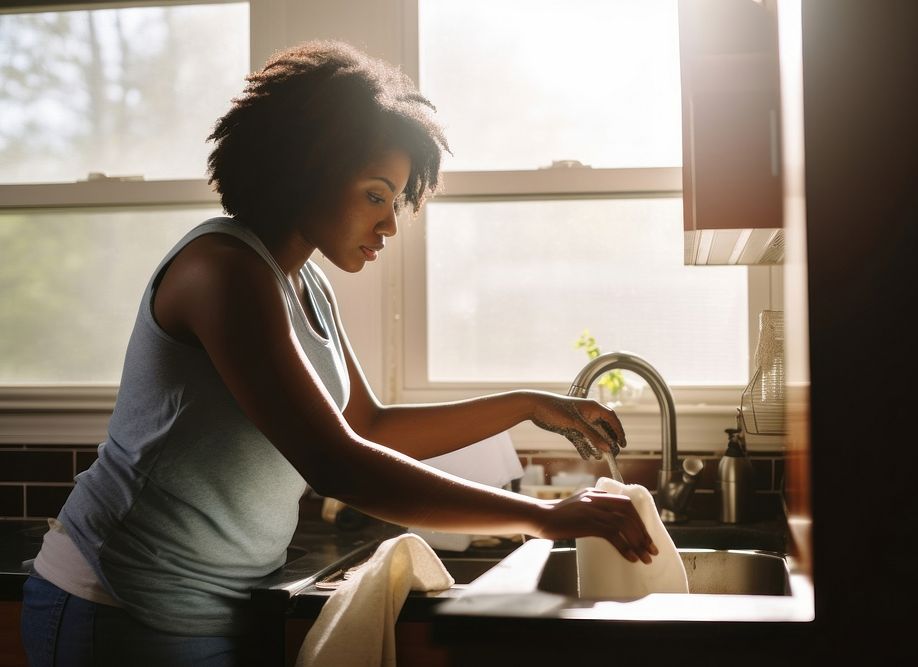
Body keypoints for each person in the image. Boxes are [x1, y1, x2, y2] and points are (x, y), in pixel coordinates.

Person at [20, 40, 657, 665]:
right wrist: (545, 516)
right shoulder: (222, 271)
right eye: (375, 194)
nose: (391, 224)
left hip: (217, 607)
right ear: (307, 170)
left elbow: (366, 426)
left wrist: (522, 405)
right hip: (121, 607)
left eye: (398, 200)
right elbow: (338, 464)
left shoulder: (302, 280)